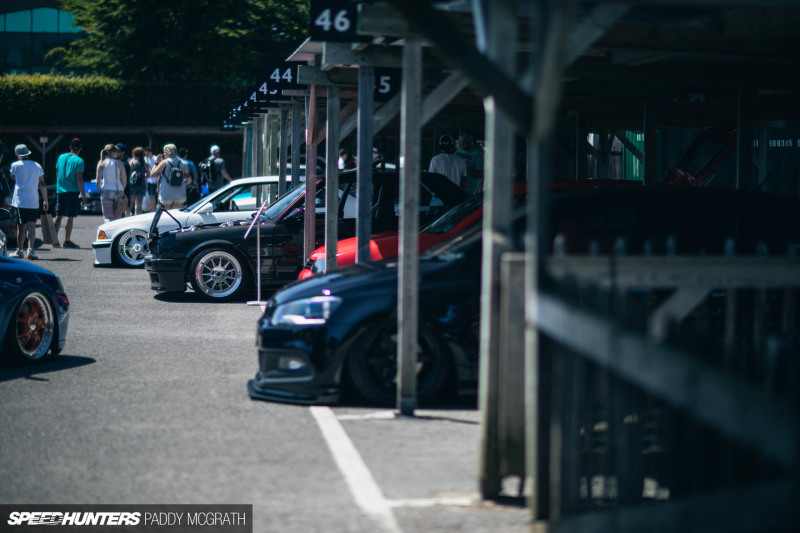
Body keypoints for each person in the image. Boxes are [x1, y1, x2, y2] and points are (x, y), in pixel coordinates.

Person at [8, 144, 48, 259]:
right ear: (28, 153)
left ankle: (19, 251)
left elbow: (12, 177)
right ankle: (31, 250)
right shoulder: (37, 166)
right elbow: (42, 184)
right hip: (34, 201)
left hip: (20, 202)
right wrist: (45, 201)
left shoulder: (15, 165)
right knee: (32, 226)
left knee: (21, 228)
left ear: (17, 155)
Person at [53, 137, 87, 248]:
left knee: (58, 216)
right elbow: (79, 178)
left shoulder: (61, 157)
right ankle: (66, 241)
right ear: (80, 148)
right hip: (72, 192)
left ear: (70, 147)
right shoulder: (79, 161)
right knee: (70, 217)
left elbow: (57, 174)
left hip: (60, 191)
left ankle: (54, 240)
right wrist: (83, 195)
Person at [150, 143, 191, 209]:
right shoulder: (183, 163)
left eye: (164, 152)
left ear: (167, 152)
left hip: (167, 192)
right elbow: (189, 180)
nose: (163, 154)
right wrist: (182, 182)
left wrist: (156, 163)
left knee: (166, 215)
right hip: (179, 192)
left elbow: (152, 174)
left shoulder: (164, 162)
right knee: (175, 216)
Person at [97, 144, 127, 222]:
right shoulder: (120, 163)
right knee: (117, 217)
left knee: (107, 217)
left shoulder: (101, 163)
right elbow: (124, 180)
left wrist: (100, 191)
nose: (117, 154)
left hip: (106, 189)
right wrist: (122, 189)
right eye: (117, 152)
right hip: (118, 190)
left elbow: (98, 181)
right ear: (113, 153)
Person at [127, 146, 149, 216]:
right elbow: (148, 174)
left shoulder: (131, 162)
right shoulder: (144, 163)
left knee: (130, 203)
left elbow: (129, 173)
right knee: (139, 204)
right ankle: (137, 216)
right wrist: (141, 176)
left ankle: (127, 216)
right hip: (141, 183)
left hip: (132, 184)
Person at [116, 142, 131, 217]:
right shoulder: (114, 161)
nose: (116, 153)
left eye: (118, 151)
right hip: (115, 187)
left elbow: (124, 177)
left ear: (122, 152)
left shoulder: (125, 163)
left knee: (124, 207)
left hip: (124, 188)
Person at [144, 146, 158, 212]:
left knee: (152, 196)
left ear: (151, 152)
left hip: (154, 180)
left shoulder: (155, 158)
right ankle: (148, 209)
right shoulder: (144, 159)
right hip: (146, 181)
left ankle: (153, 210)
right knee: (147, 196)